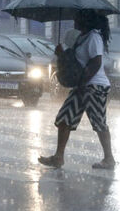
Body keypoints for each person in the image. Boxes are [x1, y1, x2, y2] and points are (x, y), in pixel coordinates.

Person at [39, 11, 115, 170]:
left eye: (78, 17)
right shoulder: (82, 37)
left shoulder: (94, 37)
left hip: (94, 86)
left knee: (99, 122)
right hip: (81, 86)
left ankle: (109, 159)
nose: (74, 20)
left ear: (86, 20)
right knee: (64, 118)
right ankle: (58, 157)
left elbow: (96, 62)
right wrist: (61, 54)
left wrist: (84, 83)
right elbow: (75, 61)